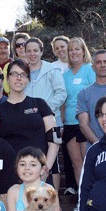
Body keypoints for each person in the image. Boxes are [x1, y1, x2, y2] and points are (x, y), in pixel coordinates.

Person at [0, 59, 60, 180]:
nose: (18, 78)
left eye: (23, 74)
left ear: (28, 79)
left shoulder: (40, 104)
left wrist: (46, 169)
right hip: (10, 175)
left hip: (39, 174)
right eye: (14, 74)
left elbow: (55, 140)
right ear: (7, 78)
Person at [24, 37, 67, 189]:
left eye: (35, 50)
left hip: (51, 121)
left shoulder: (52, 70)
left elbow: (61, 93)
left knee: (52, 161)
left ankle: (53, 198)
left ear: (41, 51)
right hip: (29, 122)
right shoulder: (22, 70)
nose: (32, 54)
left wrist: (44, 109)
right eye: (28, 51)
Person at [62, 37, 95, 186]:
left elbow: (95, 94)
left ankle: (92, 199)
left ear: (83, 51)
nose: (74, 52)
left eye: (77, 49)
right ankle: (81, 200)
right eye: (71, 50)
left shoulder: (90, 69)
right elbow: (63, 100)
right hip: (69, 123)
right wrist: (62, 120)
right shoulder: (65, 75)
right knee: (77, 164)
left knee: (88, 163)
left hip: (86, 123)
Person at [51, 35, 78, 195]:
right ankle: (69, 185)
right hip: (62, 116)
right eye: (58, 47)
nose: (61, 49)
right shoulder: (53, 67)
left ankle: (76, 186)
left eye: (64, 46)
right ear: (54, 51)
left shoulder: (76, 66)